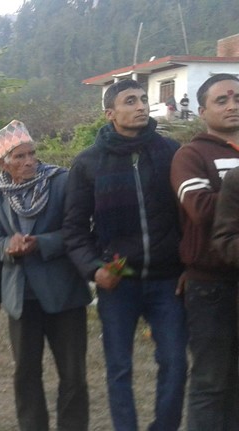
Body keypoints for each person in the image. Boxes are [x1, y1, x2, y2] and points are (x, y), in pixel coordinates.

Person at [63, 79, 186, 431]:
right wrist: (94, 269)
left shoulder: (171, 152)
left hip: (168, 281)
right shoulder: (88, 163)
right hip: (119, 283)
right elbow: (74, 229)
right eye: (130, 101)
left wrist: (188, 265)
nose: (141, 106)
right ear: (110, 114)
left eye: (143, 99)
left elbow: (188, 216)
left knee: (176, 364)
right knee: (119, 369)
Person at [0, 120, 91, 431]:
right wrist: (10, 246)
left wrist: (41, 243)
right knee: (26, 373)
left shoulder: (62, 182)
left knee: (73, 372)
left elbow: (79, 231)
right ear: (3, 163)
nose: (29, 161)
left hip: (64, 294)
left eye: (31, 153)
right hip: (21, 298)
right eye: (20, 156)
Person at [172, 73, 239, 430]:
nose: (232, 106)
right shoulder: (191, 155)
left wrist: (227, 198)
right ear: (202, 111)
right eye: (222, 100)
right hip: (210, 285)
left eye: (237, 99)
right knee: (210, 380)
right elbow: (200, 209)